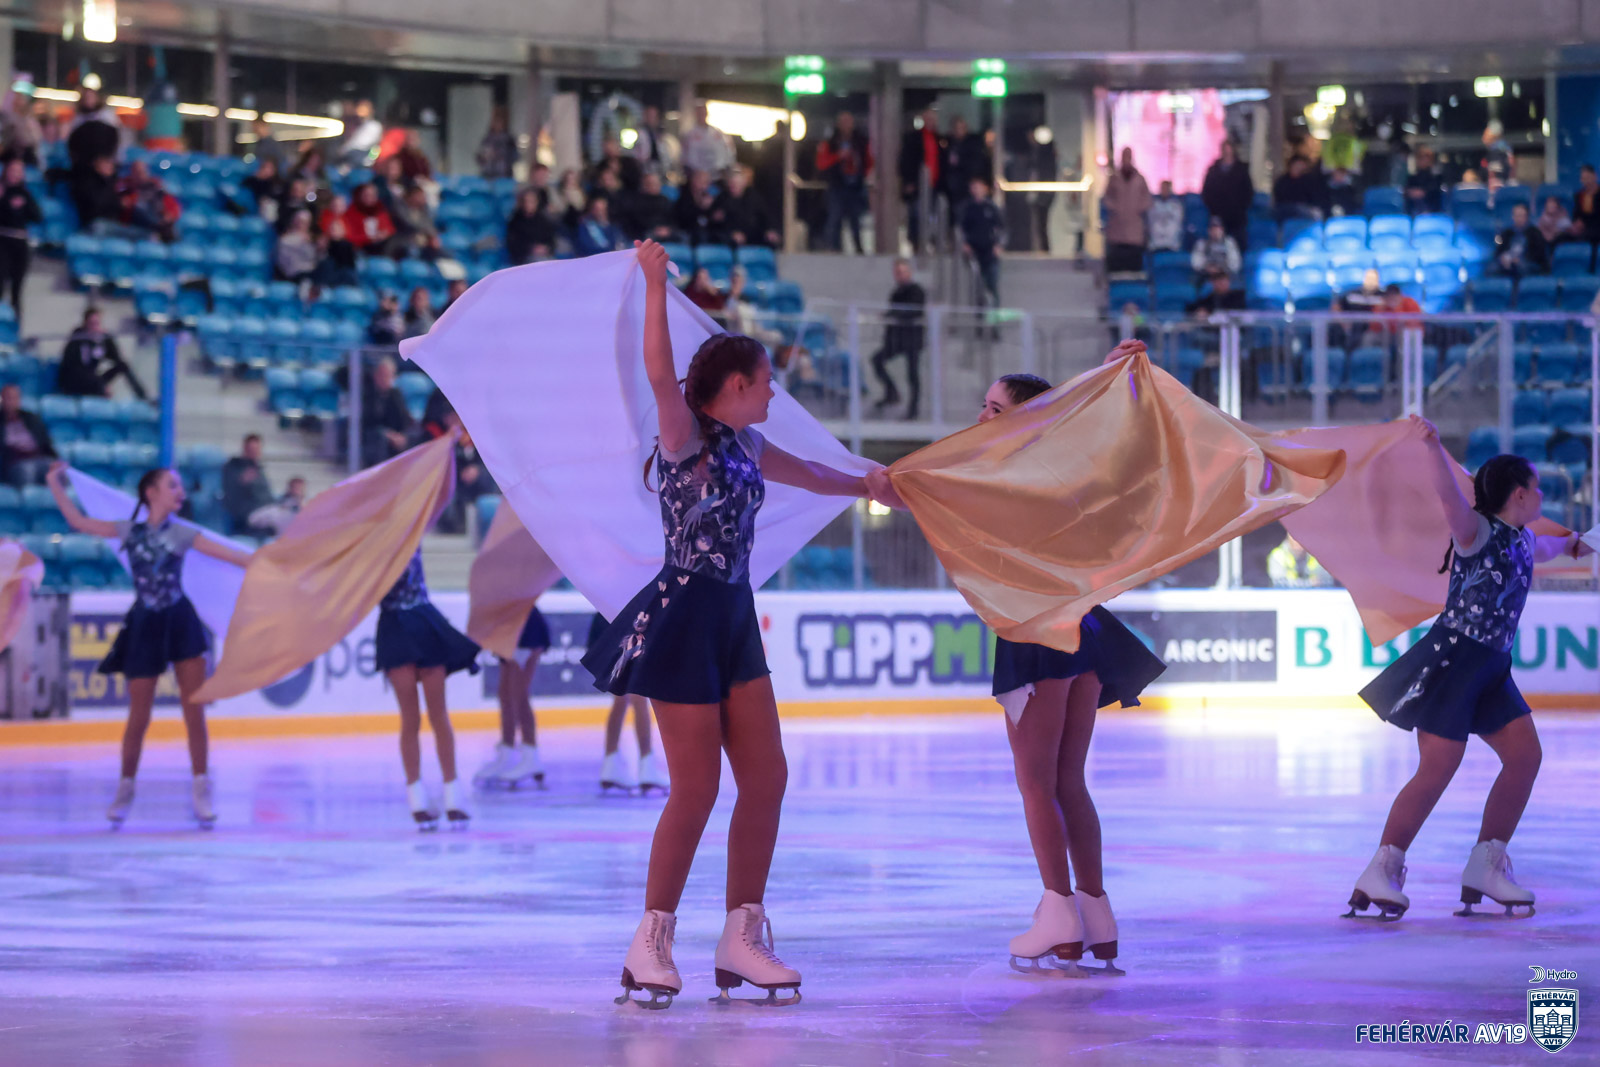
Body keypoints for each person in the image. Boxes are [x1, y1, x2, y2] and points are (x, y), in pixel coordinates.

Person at [583, 238, 895, 1009]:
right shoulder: (682, 435)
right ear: (733, 385)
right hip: (684, 615)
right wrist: (653, 283)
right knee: (695, 787)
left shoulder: (749, 443)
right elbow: (660, 373)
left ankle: (741, 937)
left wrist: (870, 484)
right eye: (764, 381)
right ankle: (649, 941)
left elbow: (813, 473)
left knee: (767, 777)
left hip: (733, 615)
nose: (773, 390)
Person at [967, 360, 1166, 975]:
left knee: (1037, 784)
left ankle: (1058, 911)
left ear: (1027, 419)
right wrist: (1112, 376)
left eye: (995, 409)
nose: (981, 416)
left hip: (1037, 633)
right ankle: (1095, 911)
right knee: (1067, 780)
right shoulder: (1063, 473)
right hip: (1084, 630)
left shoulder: (1006, 475)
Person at [1348, 430, 1592, 921]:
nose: (1543, 497)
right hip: (1456, 662)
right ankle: (1381, 869)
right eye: (1537, 489)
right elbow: (1448, 497)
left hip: (1492, 668)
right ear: (1518, 494)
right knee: (1438, 767)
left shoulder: (1525, 540)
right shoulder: (1475, 532)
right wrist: (1432, 447)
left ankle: (1486, 865)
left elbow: (1561, 547)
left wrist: (1580, 544)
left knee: (1524, 757)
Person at [46, 463, 254, 827]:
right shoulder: (128, 531)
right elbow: (78, 522)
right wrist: (54, 483)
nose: (181, 492)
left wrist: (281, 561)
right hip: (145, 625)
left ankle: (201, 788)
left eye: (180, 486)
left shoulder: (184, 534)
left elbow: (237, 557)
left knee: (194, 712)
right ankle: (125, 789)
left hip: (181, 622)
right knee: (138, 716)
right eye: (172, 485)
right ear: (151, 493)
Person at [376, 549, 480, 829]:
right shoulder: (411, 531)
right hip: (422, 621)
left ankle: (417, 799)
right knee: (439, 715)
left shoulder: (374, 545)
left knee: (410, 719)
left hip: (395, 628)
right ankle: (453, 796)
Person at [586, 612, 667, 794]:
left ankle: (611, 762)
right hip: (628, 624)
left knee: (621, 697)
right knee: (637, 696)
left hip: (608, 624)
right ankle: (647, 765)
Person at [474, 604, 550, 790]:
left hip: (525, 630)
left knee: (519, 696)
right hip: (508, 627)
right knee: (506, 695)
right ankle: (507, 752)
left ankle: (531, 755)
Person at [870, 258, 926, 418]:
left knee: (912, 374)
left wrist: (893, 314)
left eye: (902, 272)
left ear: (910, 273)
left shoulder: (917, 291)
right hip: (897, 339)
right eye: (897, 272)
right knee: (877, 360)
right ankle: (891, 392)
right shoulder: (896, 292)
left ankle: (913, 409)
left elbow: (913, 311)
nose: (899, 275)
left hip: (912, 338)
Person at [58, 307, 147, 399]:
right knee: (95, 382)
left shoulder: (102, 339)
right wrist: (101, 385)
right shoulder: (77, 338)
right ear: (85, 324)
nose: (94, 327)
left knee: (123, 365)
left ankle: (143, 396)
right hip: (75, 381)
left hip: (93, 379)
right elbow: (73, 367)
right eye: (91, 324)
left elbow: (117, 358)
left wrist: (107, 341)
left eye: (97, 324)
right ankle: (100, 391)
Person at [817, 112, 872, 254]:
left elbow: (868, 161)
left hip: (855, 185)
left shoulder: (861, 141)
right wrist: (838, 156)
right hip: (837, 185)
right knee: (834, 217)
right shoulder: (831, 142)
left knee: (856, 219)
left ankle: (858, 247)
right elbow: (822, 163)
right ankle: (832, 247)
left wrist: (865, 175)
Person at [0, 158, 41, 322]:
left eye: (19, 171)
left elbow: (37, 216)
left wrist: (23, 204)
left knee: (17, 287)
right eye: (13, 170)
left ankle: (15, 324)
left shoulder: (24, 193)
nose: (15, 174)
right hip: (3, 240)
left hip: (20, 241)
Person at [899, 109, 944, 252]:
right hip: (918, 185)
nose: (931, 121)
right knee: (916, 215)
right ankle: (916, 243)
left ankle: (932, 242)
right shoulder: (913, 138)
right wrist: (909, 182)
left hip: (935, 184)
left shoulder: (939, 139)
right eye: (928, 118)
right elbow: (906, 161)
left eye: (933, 119)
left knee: (934, 215)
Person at [1101, 148, 1151, 273]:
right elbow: (1107, 197)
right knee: (1117, 265)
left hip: (1134, 230)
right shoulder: (1114, 178)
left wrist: (1137, 208)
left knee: (1133, 265)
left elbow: (1147, 199)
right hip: (1117, 229)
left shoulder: (1140, 179)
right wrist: (1115, 207)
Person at [960, 177, 1004, 307]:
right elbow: (962, 228)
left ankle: (995, 312)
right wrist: (965, 244)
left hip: (990, 251)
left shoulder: (992, 208)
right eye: (974, 187)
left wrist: (998, 245)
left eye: (979, 187)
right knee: (978, 285)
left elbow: (1002, 228)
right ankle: (979, 312)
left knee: (992, 283)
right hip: (974, 252)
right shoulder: (968, 209)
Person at [1201, 140, 1253, 251]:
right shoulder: (1213, 170)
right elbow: (1206, 192)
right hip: (1217, 215)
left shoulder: (1242, 171)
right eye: (1225, 150)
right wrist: (1214, 208)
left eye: (1229, 150)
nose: (1227, 153)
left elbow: (1248, 192)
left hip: (1237, 218)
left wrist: (1240, 207)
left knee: (1238, 247)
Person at [0, 383, 56, 487]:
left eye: (14, 398)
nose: (11, 401)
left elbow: (45, 441)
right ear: (2, 400)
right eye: (8, 398)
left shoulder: (31, 418)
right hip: (15, 462)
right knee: (27, 470)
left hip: (37, 458)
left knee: (57, 469)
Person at [362, 356, 415, 466]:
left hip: (394, 435)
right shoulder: (367, 394)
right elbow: (368, 423)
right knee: (380, 439)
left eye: (389, 376)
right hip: (374, 436)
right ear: (375, 376)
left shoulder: (395, 395)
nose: (385, 379)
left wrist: (402, 435)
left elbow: (404, 419)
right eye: (382, 375)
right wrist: (388, 434)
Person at [221, 434, 275, 536]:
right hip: (249, 514)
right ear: (245, 449)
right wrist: (241, 482)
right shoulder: (233, 467)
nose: (255, 453)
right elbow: (230, 496)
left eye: (257, 449)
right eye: (251, 449)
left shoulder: (258, 469)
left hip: (267, 509)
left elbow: (267, 495)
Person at [117, 160, 182, 242]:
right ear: (132, 173)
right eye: (136, 172)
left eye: (142, 172)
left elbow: (174, 209)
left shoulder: (156, 188)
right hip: (135, 225)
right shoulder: (125, 188)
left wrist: (169, 215)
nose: (140, 175)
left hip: (156, 222)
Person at [715, 167, 778, 248]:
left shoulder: (754, 198)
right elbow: (718, 224)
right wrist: (731, 234)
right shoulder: (722, 198)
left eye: (736, 184)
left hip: (752, 237)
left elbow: (764, 218)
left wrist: (769, 230)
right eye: (731, 184)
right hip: (729, 240)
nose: (732, 186)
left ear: (744, 184)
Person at [66, 87, 120, 171]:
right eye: (86, 97)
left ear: (97, 98)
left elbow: (115, 140)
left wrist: (107, 160)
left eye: (91, 97)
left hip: (105, 164)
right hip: (84, 165)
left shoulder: (107, 116)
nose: (89, 100)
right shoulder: (78, 119)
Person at [619, 171, 679, 244]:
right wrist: (656, 229)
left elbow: (672, 218)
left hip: (666, 231)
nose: (654, 186)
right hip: (648, 232)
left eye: (656, 183)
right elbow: (638, 221)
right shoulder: (637, 201)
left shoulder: (665, 200)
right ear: (644, 185)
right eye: (650, 183)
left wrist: (668, 229)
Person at [678, 103, 733, 179]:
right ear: (695, 114)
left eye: (703, 113)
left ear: (707, 114)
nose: (702, 115)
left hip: (716, 175)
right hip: (695, 176)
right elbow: (683, 156)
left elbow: (728, 152)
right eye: (699, 113)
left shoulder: (718, 133)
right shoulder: (689, 134)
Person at [345, 183, 399, 258]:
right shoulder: (350, 213)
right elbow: (349, 237)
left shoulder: (380, 211)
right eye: (366, 195)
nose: (370, 198)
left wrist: (384, 234)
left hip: (381, 246)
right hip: (361, 248)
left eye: (373, 195)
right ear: (359, 196)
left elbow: (390, 229)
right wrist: (370, 238)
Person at [506, 187, 557, 265]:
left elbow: (551, 240)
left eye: (531, 201)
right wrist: (531, 249)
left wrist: (546, 248)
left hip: (545, 256)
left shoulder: (543, 221)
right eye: (525, 201)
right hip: (525, 259)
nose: (528, 204)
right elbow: (513, 244)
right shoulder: (515, 222)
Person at [1496, 203, 1550, 277]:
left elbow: (1539, 253)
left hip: (1528, 262)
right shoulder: (1507, 232)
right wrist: (1502, 258)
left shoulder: (1535, 232)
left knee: (1521, 267)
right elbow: (1499, 250)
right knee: (1492, 268)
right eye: (1516, 215)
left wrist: (1520, 259)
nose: (1519, 218)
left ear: (1527, 217)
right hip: (1509, 261)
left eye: (1521, 216)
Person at [70, 154, 121, 232]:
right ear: (96, 164)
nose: (111, 166)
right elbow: (96, 204)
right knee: (135, 234)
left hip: (109, 222)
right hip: (95, 223)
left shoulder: (109, 182)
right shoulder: (87, 182)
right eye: (107, 162)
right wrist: (119, 203)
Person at [673, 169, 723, 247]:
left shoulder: (709, 198)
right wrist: (699, 207)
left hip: (707, 231)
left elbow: (713, 218)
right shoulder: (684, 196)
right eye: (701, 182)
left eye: (706, 183)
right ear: (693, 181)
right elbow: (683, 218)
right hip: (687, 230)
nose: (703, 186)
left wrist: (715, 215)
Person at [1273, 155, 1330, 222]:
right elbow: (1280, 198)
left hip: (1304, 210)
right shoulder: (1282, 181)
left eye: (1301, 167)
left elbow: (1313, 197)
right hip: (1284, 209)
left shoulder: (1307, 181)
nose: (1298, 168)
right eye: (1297, 165)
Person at [312, 214, 360, 290]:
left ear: (343, 230)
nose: (333, 229)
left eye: (337, 227)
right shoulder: (323, 246)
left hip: (343, 279)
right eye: (331, 228)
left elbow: (344, 265)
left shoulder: (346, 246)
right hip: (326, 279)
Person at [1267, 533, 1332, 588]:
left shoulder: (1318, 555)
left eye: (1301, 538)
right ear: (1288, 538)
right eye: (1294, 537)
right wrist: (1309, 583)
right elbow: (1278, 583)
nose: (1297, 541)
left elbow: (1327, 581)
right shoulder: (1277, 555)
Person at [629, 105, 678, 178]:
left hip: (659, 170)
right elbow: (633, 152)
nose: (651, 119)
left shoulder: (661, 135)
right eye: (649, 116)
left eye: (654, 116)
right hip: (644, 170)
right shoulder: (638, 133)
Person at [1189, 216, 1240, 284]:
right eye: (1212, 229)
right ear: (1208, 231)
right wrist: (1207, 268)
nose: (1215, 231)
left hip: (1224, 275)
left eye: (1217, 229)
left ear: (1222, 230)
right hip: (1207, 275)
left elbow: (1235, 264)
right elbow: (1196, 263)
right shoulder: (1202, 243)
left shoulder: (1229, 243)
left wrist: (1221, 269)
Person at [274, 208, 319, 285]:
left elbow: (316, 259)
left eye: (305, 222)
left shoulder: (313, 240)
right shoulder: (285, 240)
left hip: (312, 273)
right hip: (295, 274)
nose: (301, 224)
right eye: (299, 221)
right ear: (293, 221)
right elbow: (284, 264)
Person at [476, 107, 518, 180]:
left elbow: (516, 157)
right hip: (487, 176)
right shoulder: (487, 139)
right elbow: (480, 157)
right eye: (495, 122)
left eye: (499, 122)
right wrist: (484, 157)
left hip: (504, 175)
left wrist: (500, 155)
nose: (497, 125)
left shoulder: (509, 140)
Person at [339, 99, 383, 168]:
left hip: (362, 160)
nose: (361, 110)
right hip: (350, 158)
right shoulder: (359, 125)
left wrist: (370, 160)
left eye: (364, 108)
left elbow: (372, 145)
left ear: (371, 110)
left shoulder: (375, 125)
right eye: (360, 107)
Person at [1572, 164, 1600, 269]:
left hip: (1597, 227)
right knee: (1560, 237)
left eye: (1588, 178)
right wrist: (1577, 222)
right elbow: (1575, 214)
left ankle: (1591, 269)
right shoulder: (1579, 195)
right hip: (1583, 228)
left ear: (1595, 176)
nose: (1586, 181)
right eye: (1583, 179)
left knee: (1592, 236)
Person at [1404, 146, 1446, 215]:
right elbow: (1406, 192)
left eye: (1426, 158)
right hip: (1414, 211)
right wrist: (1411, 193)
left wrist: (1423, 192)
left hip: (1432, 211)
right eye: (1420, 158)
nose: (1423, 161)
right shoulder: (1412, 178)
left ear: (1431, 161)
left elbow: (1434, 193)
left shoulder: (1436, 178)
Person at [1147, 180, 1184, 253]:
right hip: (1156, 242)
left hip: (1172, 243)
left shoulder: (1176, 205)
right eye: (1163, 188)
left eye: (1166, 188)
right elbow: (1150, 221)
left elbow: (1179, 222)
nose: (1164, 191)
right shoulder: (1153, 205)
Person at [1481, 121, 1513, 191]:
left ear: (1494, 137)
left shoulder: (1501, 151)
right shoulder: (1490, 152)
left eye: (1486, 135)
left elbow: (1497, 176)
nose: (1483, 138)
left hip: (1501, 190)